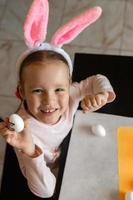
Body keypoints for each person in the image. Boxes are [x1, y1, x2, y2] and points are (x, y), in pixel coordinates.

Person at [0, 0, 116, 198]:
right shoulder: (23, 131)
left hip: (73, 147)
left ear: (69, 84)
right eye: (37, 90)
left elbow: (98, 80)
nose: (49, 101)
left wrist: (102, 95)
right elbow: (45, 191)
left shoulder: (70, 94)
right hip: (49, 169)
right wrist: (28, 150)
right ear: (22, 91)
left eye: (59, 89)